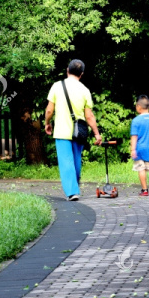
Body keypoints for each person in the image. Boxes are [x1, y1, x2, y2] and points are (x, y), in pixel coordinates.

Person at [45, 59, 102, 201]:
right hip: (79, 132)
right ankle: (74, 187)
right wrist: (96, 133)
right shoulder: (85, 90)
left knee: (66, 161)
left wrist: (47, 123)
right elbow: (89, 116)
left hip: (62, 131)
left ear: (67, 70)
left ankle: (72, 191)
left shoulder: (57, 86)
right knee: (76, 160)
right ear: (81, 74)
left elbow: (49, 110)